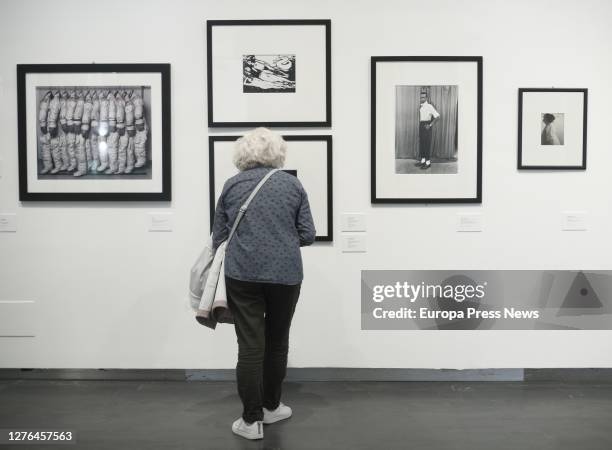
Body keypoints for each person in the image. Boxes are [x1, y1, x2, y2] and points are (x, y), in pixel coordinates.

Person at [211, 128, 316, 440]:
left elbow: (219, 236)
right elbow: (308, 234)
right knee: (277, 341)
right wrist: (281, 241)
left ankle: (250, 421)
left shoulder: (232, 185)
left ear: (243, 153)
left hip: (242, 274)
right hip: (286, 275)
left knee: (250, 346)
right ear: (277, 153)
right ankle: (271, 407)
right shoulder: (293, 184)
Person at [414, 91, 440, 170]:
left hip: (426, 125)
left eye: (424, 97)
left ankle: (428, 163)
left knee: (426, 144)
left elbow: (437, 116)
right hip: (421, 125)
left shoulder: (429, 106)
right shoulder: (421, 106)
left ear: (427, 98)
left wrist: (430, 125)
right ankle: (422, 161)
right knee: (422, 143)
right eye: (421, 97)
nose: (422, 98)